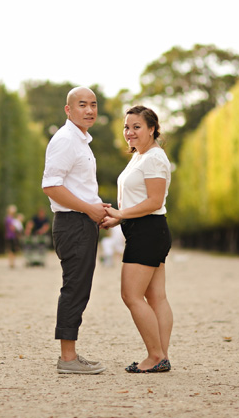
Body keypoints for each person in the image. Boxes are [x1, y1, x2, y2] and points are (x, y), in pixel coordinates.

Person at [41, 86, 109, 375]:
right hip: (73, 223)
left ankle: (71, 354)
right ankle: (67, 359)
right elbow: (51, 186)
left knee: (80, 288)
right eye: (82, 104)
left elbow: (72, 185)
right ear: (68, 110)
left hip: (81, 221)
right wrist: (88, 208)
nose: (90, 110)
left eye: (93, 104)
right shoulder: (67, 139)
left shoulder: (81, 141)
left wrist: (94, 206)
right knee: (74, 289)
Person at [101, 106, 173, 374]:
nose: (129, 132)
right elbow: (140, 200)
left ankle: (155, 356)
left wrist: (121, 213)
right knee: (156, 298)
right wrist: (119, 218)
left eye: (136, 127)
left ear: (152, 128)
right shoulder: (141, 157)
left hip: (147, 232)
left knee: (131, 295)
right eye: (126, 127)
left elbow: (154, 201)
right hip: (146, 229)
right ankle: (161, 356)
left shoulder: (153, 158)